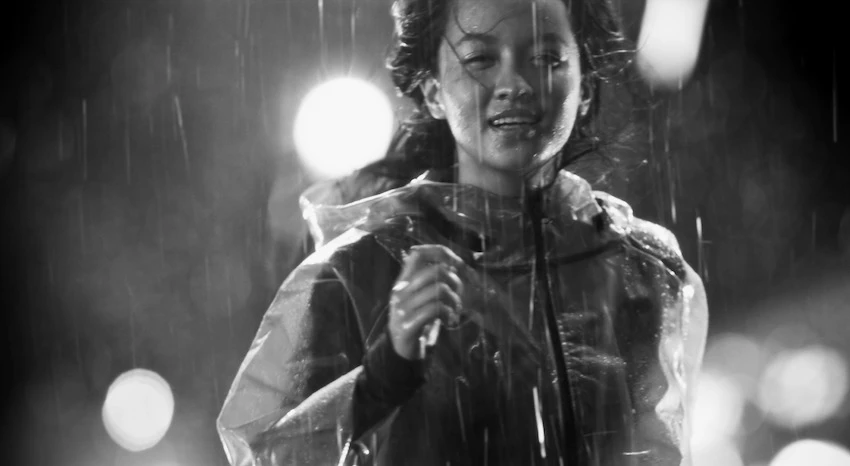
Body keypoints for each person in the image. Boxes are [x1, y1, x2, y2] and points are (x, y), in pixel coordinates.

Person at [218, 0, 708, 464]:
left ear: (585, 87)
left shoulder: (645, 270)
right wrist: (383, 376)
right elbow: (263, 454)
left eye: (546, 58)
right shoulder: (355, 274)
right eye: (480, 59)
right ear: (432, 91)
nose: (515, 83)